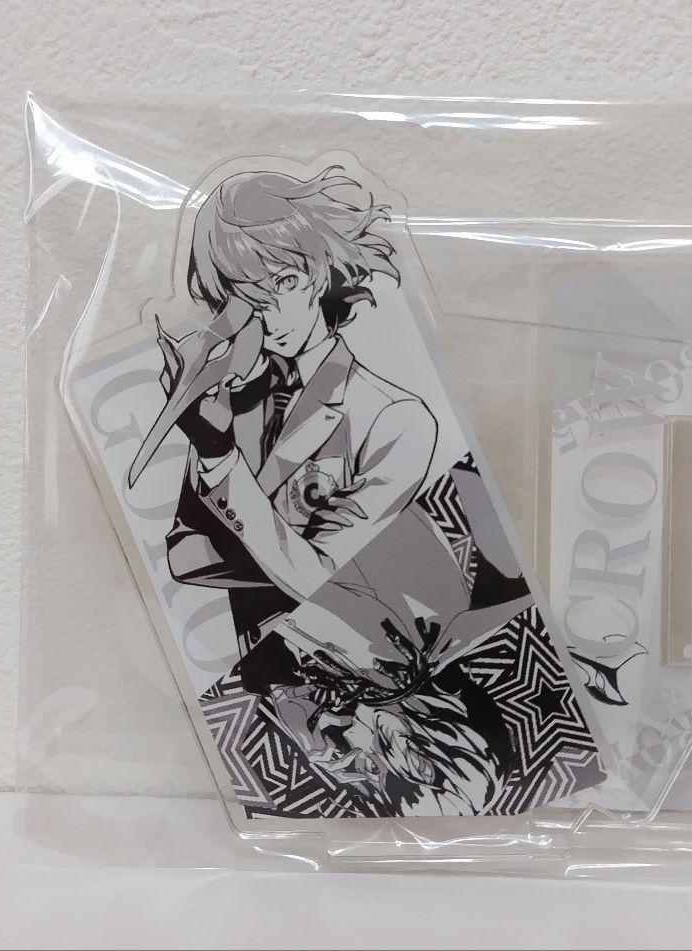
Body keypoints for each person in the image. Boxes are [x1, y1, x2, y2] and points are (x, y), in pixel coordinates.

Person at [135, 165, 528, 814]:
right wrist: (283, 541)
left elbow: (314, 576)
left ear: (318, 275)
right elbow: (182, 556)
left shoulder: (394, 417)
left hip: (339, 686)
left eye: (283, 283)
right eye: (241, 298)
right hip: (278, 689)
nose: (263, 314)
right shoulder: (232, 407)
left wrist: (224, 467)